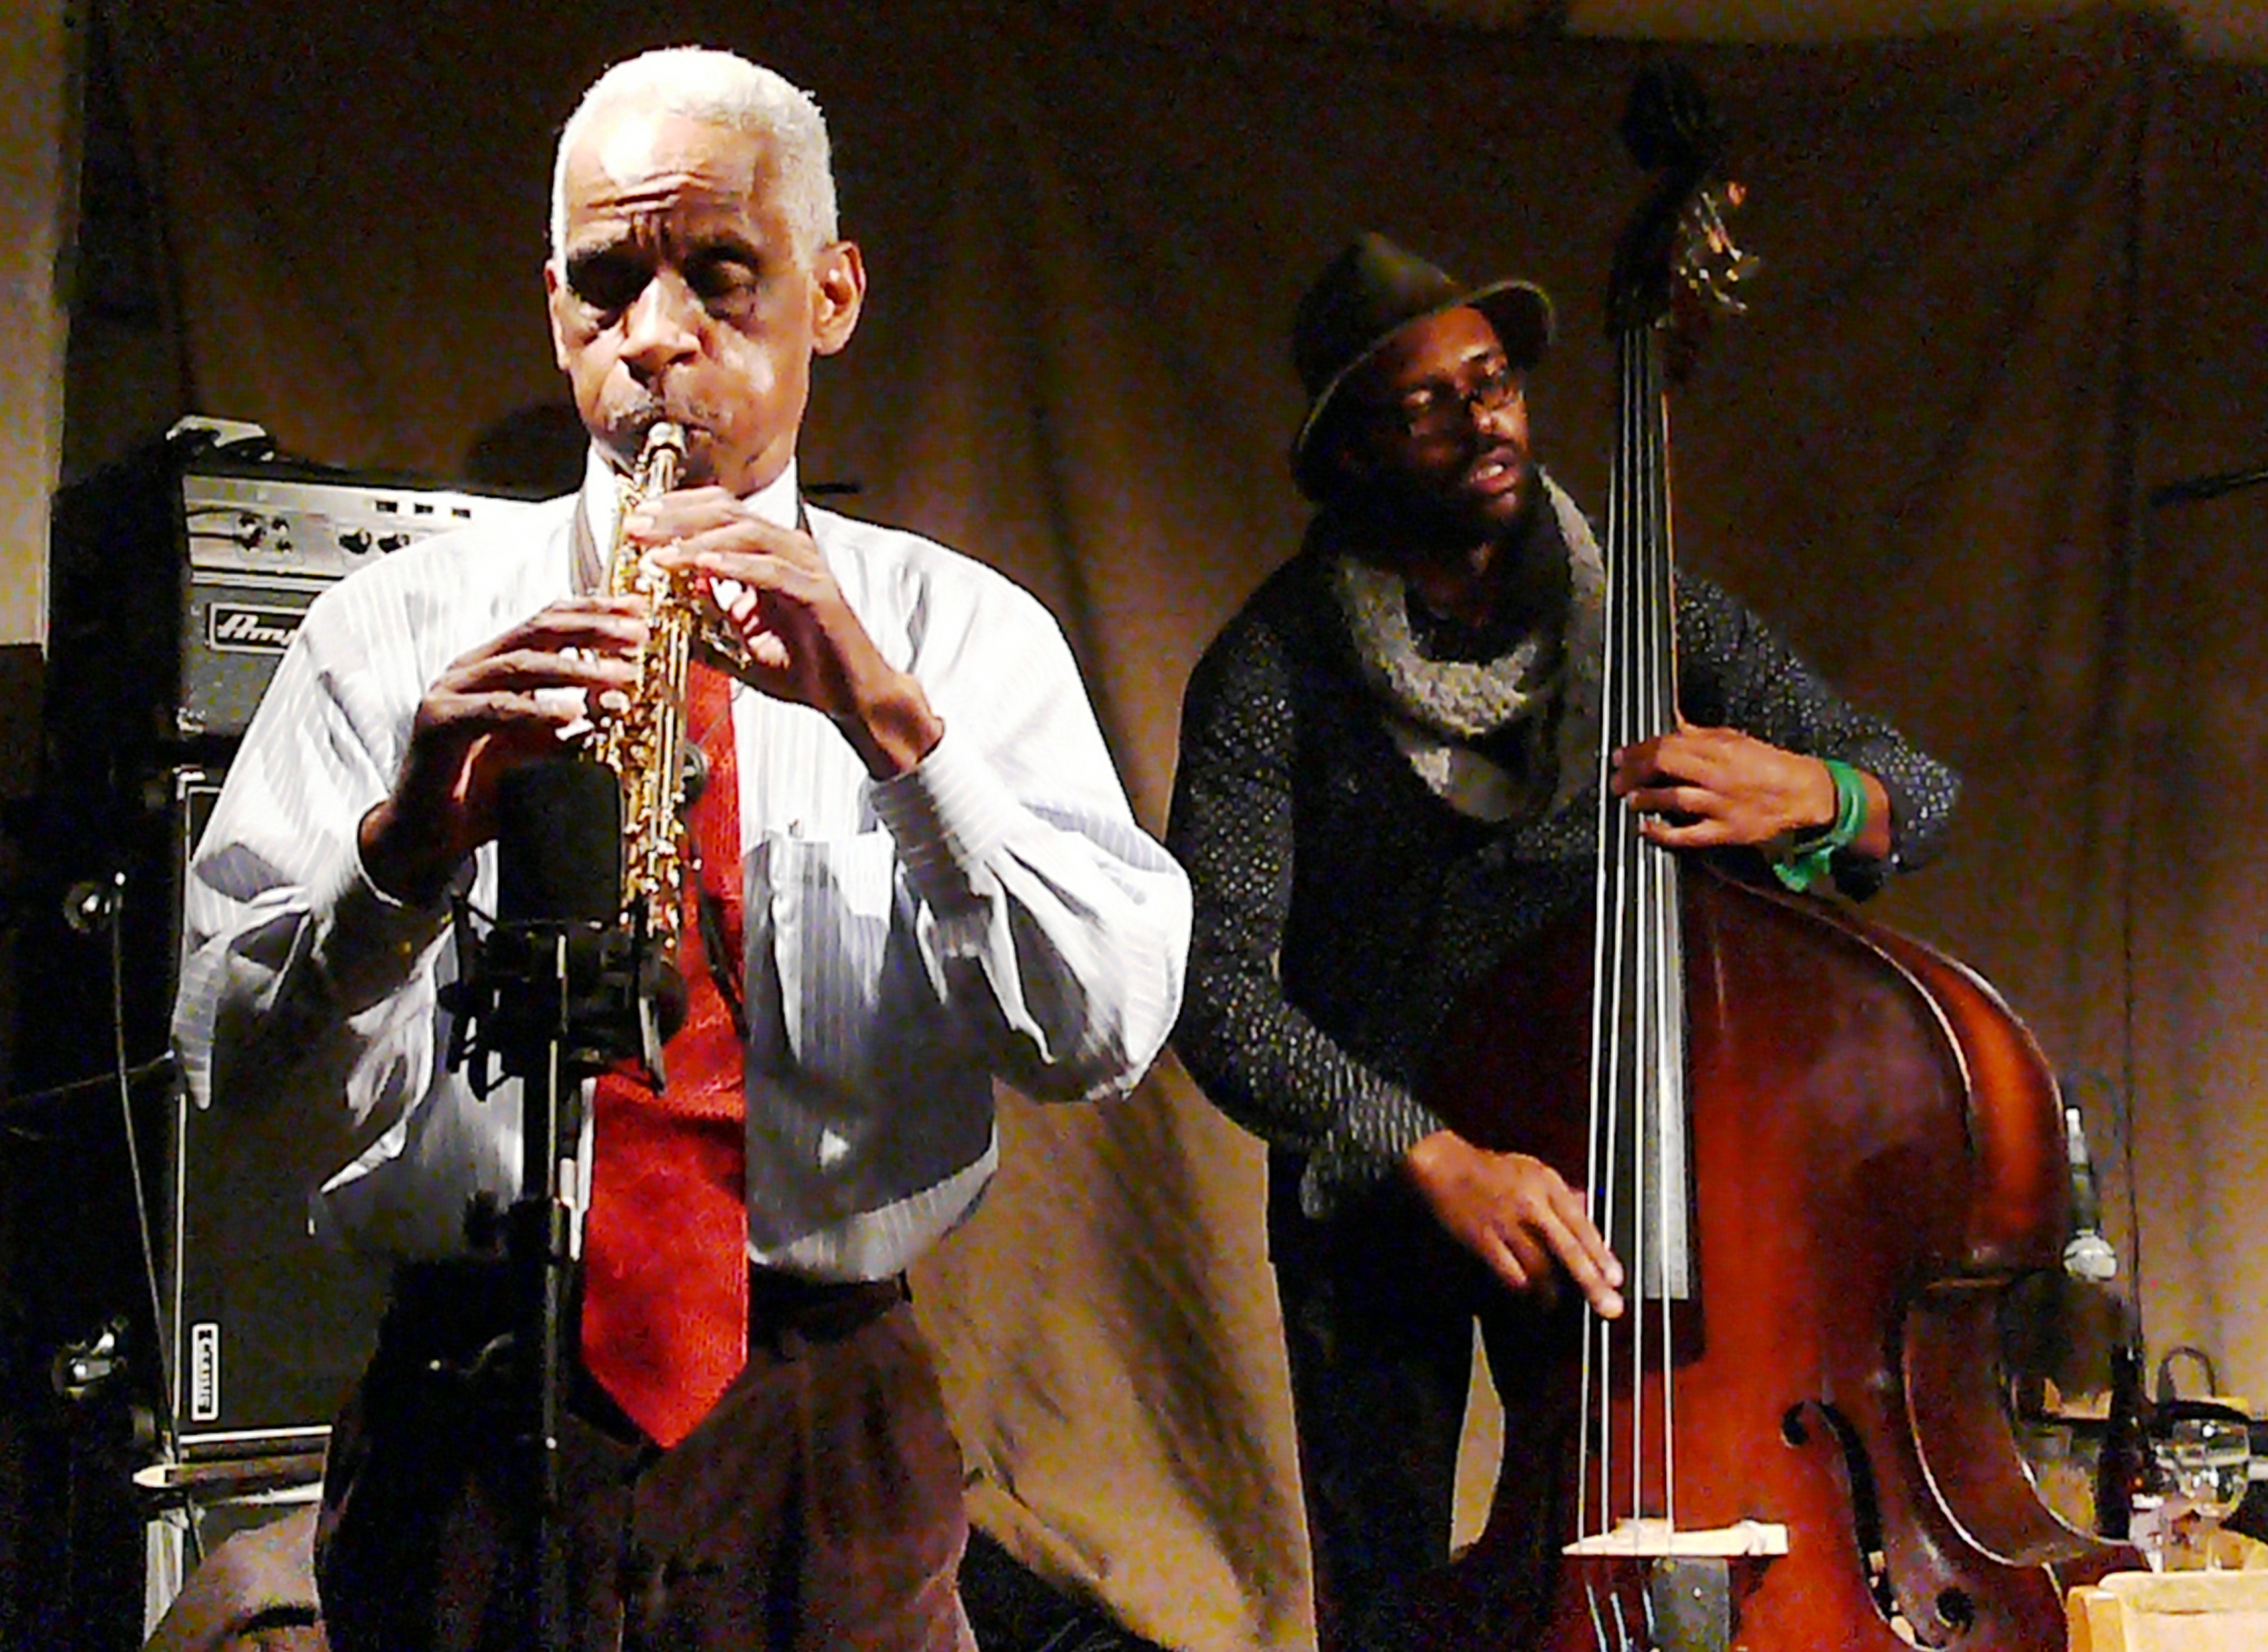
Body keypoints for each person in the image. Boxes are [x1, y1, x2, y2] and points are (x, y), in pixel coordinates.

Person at [172, 46, 1190, 1652]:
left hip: (822, 1417)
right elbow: (223, 1063)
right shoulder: (392, 633)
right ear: (556, 307)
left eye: (721, 276)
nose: (655, 341)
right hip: (468, 1414)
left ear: (833, 293)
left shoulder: (961, 637)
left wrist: (895, 730)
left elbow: (1102, 1031)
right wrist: (405, 847)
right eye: (606, 284)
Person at [1166, 233, 1959, 1649]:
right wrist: (1431, 1154)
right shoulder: (1270, 668)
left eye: (1493, 381)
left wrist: (1827, 795)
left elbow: (1921, 793)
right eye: (1427, 402)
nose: (1486, 419)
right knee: (1392, 1610)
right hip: (1384, 1206)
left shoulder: (1644, 611)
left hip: (1624, 1182)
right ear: (1349, 451)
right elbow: (1213, 992)